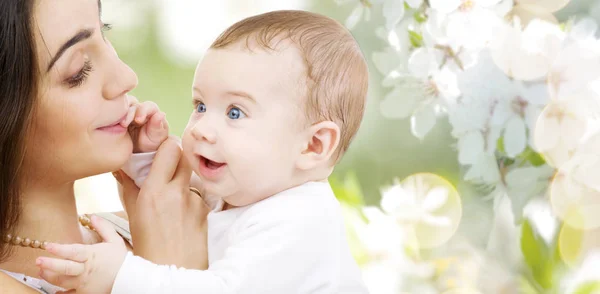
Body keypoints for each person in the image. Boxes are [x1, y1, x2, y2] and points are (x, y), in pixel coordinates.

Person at [37, 10, 370, 294]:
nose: (200, 129)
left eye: (235, 112)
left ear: (313, 145)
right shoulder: (249, 189)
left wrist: (121, 276)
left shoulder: (298, 224)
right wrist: (146, 156)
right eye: (201, 105)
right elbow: (178, 199)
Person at [0, 0, 209, 293]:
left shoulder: (159, 225)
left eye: (105, 33)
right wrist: (164, 277)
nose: (126, 77)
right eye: (78, 71)